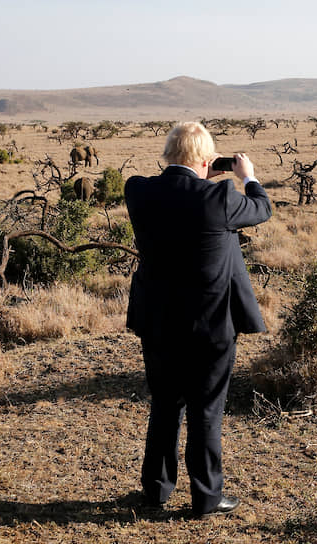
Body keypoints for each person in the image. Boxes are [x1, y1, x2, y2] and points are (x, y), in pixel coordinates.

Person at [124, 121, 272, 517]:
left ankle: (156, 490)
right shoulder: (221, 196)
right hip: (210, 325)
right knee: (206, 408)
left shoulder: (137, 191)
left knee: (165, 405)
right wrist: (248, 177)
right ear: (208, 160)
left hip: (156, 321)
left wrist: (201, 175)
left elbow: (173, 189)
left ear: (169, 155)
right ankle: (206, 497)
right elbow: (262, 209)